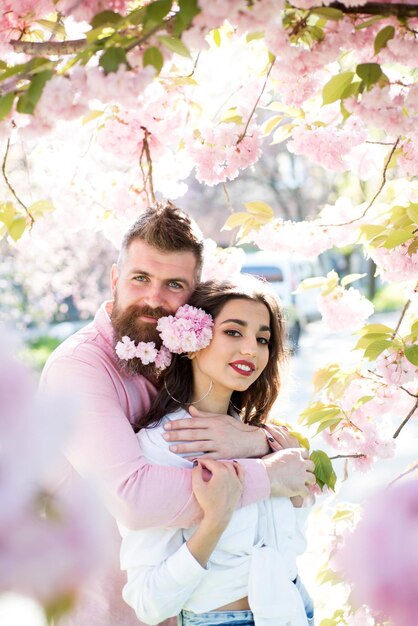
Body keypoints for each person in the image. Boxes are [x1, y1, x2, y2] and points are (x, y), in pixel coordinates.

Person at [40, 202, 314, 626]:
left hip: (200, 604)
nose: (154, 298)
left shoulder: (186, 352)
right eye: (140, 279)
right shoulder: (78, 368)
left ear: (195, 294)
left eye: (174, 284)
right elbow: (133, 498)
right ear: (115, 278)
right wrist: (267, 476)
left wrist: (258, 441)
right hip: (107, 607)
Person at [119, 277, 315, 626]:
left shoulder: (263, 436)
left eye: (262, 339)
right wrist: (215, 521)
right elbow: (147, 604)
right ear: (192, 342)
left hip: (294, 607)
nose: (251, 350)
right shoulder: (165, 445)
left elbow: (289, 536)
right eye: (233, 332)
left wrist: (292, 490)